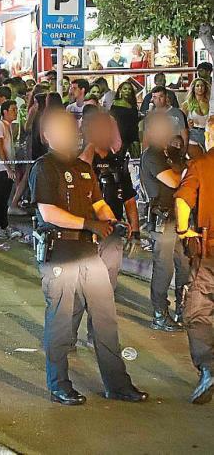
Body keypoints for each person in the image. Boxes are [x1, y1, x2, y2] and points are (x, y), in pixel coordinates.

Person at [29, 109, 148, 406]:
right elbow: (48, 212)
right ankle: (59, 385)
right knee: (60, 322)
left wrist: (113, 222)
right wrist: (89, 224)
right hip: (60, 252)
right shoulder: (44, 167)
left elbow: (98, 203)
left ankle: (117, 385)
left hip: (88, 252)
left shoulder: (84, 168)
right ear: (47, 136)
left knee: (105, 319)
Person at [76, 111, 141, 346]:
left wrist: (135, 231)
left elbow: (129, 199)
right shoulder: (80, 159)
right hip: (85, 233)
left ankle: (96, 335)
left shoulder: (117, 162)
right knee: (78, 291)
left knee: (105, 289)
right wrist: (91, 145)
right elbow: (81, 170)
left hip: (112, 233)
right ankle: (65, 338)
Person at [140, 113, 189, 330]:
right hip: (162, 218)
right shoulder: (152, 155)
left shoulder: (168, 152)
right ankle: (160, 314)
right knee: (164, 269)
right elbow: (174, 180)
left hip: (177, 217)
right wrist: (187, 172)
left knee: (184, 265)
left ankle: (183, 309)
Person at [174, 137, 214, 404]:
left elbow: (182, 200)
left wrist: (183, 230)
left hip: (209, 254)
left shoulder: (201, 165)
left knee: (198, 312)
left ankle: (209, 368)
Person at [0, 100, 17, 238]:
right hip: (1, 168)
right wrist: (7, 168)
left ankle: (4, 225)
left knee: (5, 198)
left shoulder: (8, 126)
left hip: (8, 167)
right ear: (5, 111)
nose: (15, 112)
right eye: (13, 110)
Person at [109, 81, 140, 156]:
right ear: (120, 90)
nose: (127, 91)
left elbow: (134, 123)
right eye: (125, 89)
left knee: (135, 160)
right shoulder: (115, 104)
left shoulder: (133, 105)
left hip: (133, 136)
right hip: (120, 137)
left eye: (129, 89)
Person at [182, 78, 211, 149]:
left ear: (205, 88)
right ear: (193, 88)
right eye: (197, 86)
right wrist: (187, 124)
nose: (200, 88)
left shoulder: (210, 103)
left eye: (202, 86)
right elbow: (181, 123)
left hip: (209, 134)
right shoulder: (186, 104)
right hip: (193, 134)